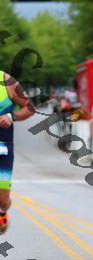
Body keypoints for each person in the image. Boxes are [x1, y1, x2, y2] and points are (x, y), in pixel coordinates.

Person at [0, 70, 35, 233]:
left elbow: (29, 107)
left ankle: (2, 210)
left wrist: (11, 116)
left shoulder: (6, 80)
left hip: (2, 148)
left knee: (2, 200)